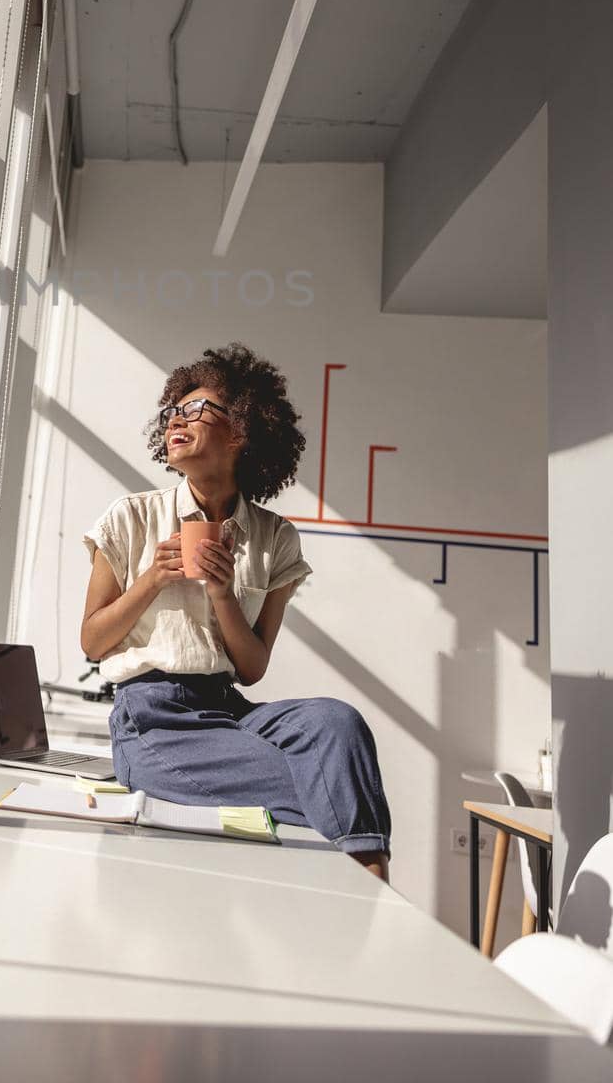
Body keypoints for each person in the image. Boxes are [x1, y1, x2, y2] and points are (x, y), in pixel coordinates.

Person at [79, 342, 392, 882]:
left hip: (228, 709)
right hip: (153, 723)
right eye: (174, 411)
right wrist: (154, 578)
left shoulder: (275, 539)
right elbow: (92, 641)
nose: (178, 418)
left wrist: (223, 592)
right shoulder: (130, 518)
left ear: (241, 430)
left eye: (196, 409)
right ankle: (372, 890)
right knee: (325, 784)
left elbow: (251, 668)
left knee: (335, 723)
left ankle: (365, 886)